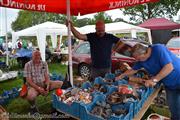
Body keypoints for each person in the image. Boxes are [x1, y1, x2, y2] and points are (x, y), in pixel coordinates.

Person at [116, 43, 180, 120]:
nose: (137, 60)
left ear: (144, 53)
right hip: (170, 85)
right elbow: (133, 70)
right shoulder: (142, 60)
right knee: (173, 107)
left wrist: (154, 80)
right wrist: (122, 75)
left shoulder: (158, 49)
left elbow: (169, 67)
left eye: (138, 58)